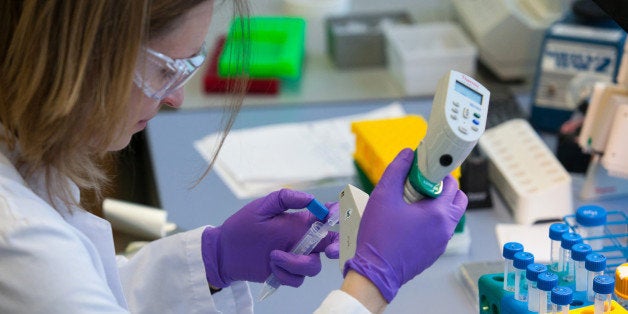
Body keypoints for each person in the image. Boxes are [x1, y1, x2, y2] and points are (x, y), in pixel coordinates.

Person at [0, 1, 467, 313]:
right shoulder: (23, 245)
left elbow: (96, 292)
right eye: (165, 69)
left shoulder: (22, 162)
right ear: (83, 56)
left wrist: (211, 261)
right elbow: (61, 288)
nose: (177, 99)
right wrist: (370, 284)